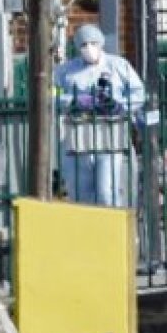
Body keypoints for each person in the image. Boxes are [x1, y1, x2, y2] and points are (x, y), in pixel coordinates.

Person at [54, 24, 146, 207]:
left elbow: (139, 94)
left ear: (101, 43)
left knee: (107, 191)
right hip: (77, 136)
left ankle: (112, 231)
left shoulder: (119, 65)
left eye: (93, 43)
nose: (89, 48)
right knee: (81, 193)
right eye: (84, 45)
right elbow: (50, 95)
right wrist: (74, 100)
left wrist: (118, 105)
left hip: (111, 134)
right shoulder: (66, 71)